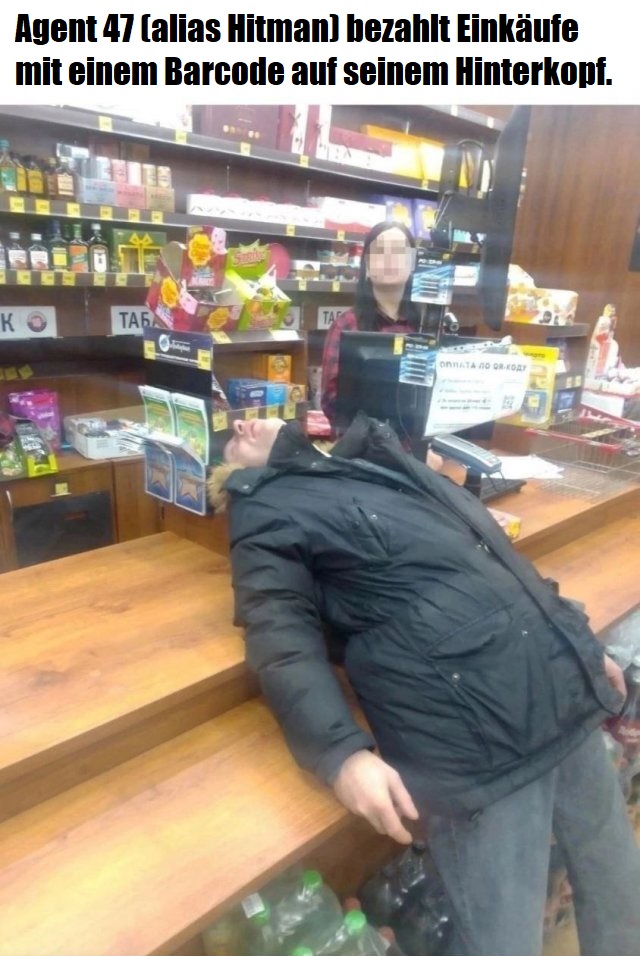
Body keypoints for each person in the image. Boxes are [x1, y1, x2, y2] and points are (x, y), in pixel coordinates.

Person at [211, 412, 640, 956]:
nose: (240, 427)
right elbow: (279, 634)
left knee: (618, 886)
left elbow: (494, 555)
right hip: (478, 740)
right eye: (228, 445)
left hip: (556, 685)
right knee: (506, 939)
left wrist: (577, 640)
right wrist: (340, 755)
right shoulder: (263, 503)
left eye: (246, 420)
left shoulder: (371, 460)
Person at [320, 220, 420, 428]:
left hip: (418, 443)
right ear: (367, 263)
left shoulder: (427, 327)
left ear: (412, 262)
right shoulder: (346, 325)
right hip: (363, 443)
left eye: (399, 251)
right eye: (380, 251)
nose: (390, 258)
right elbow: (332, 402)